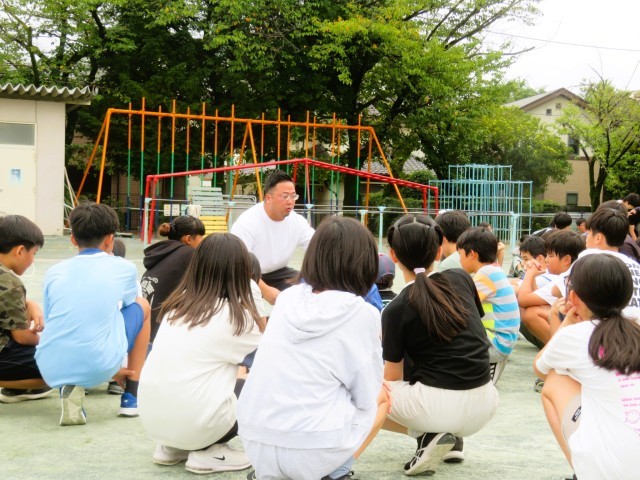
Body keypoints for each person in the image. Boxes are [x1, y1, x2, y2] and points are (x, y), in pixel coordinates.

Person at [237, 217, 389, 480]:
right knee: (382, 396)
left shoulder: (286, 300)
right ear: (364, 263)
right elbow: (366, 394)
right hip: (315, 447)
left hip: (257, 441)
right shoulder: (362, 313)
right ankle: (335, 472)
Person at [381, 215, 498, 476]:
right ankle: (451, 439)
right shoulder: (461, 278)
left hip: (437, 408)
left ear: (393, 255)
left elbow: (392, 379)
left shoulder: (396, 309)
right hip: (486, 403)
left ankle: (425, 435)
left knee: (366, 392)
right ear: (438, 251)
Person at [138, 233, 262, 474]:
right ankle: (208, 452)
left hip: (153, 423)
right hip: (199, 425)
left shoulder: (177, 306)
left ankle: (172, 448)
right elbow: (270, 360)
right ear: (242, 273)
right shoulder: (236, 317)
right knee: (258, 384)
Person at [35, 202, 151, 425]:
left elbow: (51, 320)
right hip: (100, 362)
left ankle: (69, 385)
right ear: (110, 239)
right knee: (142, 305)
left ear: (73, 239)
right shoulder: (124, 268)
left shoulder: (53, 272)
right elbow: (128, 307)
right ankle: (131, 396)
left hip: (50, 367)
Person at [534, 254, 640, 480]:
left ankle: (580, 471)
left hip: (611, 471)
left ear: (573, 297)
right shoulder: (636, 328)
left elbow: (540, 368)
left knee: (554, 380)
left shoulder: (576, 335)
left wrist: (566, 322)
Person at [230, 170, 315, 304]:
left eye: (293, 196)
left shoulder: (298, 221)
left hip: (279, 272)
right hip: (247, 274)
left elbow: (317, 247)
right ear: (268, 198)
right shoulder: (247, 222)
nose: (290, 201)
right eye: (285, 196)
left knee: (310, 288)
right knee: (249, 299)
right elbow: (238, 263)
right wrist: (266, 291)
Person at [457, 227, 520, 383]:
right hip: (501, 340)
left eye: (460, 254)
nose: (459, 260)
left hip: (496, 343)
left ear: (472, 254)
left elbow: (460, 306)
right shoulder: (493, 270)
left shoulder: (485, 275)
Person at [0, 215, 52, 403]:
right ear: (20, 251)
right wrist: (47, 342)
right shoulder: (11, 283)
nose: (33, 260)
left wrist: (29, 303)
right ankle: (18, 384)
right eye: (34, 253)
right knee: (58, 367)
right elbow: (22, 337)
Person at [140, 215, 205, 343]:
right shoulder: (189, 253)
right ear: (188, 239)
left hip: (145, 329)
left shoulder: (161, 252)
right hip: (162, 331)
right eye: (201, 236)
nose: (203, 241)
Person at [518, 231, 585, 348]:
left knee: (530, 313)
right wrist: (532, 276)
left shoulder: (566, 278)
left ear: (566, 260)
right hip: (583, 327)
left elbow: (523, 300)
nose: (546, 260)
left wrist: (529, 274)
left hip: (579, 331)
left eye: (550, 255)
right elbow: (534, 297)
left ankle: (557, 349)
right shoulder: (576, 271)